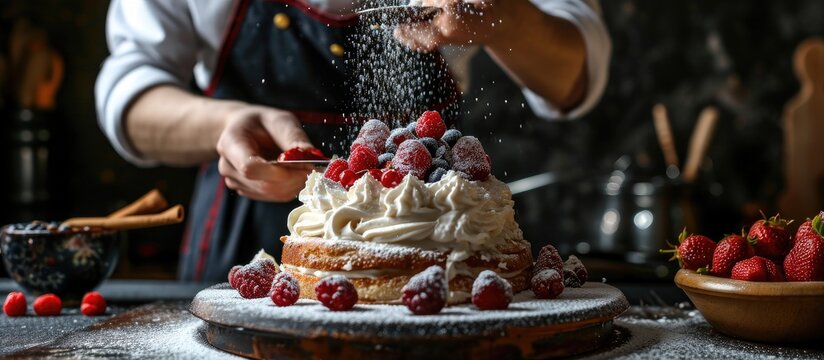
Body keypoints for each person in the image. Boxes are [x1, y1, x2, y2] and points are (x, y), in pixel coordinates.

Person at [95, 0, 611, 283]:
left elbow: (574, 75)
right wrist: (226, 123)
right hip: (248, 229)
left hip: (429, 227)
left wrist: (507, 16)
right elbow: (129, 94)